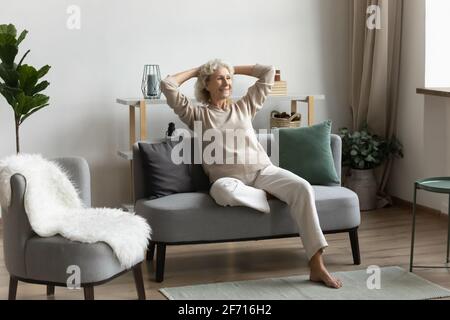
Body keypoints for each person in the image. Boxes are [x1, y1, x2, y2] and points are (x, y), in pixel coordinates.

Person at [160, 59, 342, 289]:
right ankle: (267, 196)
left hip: (263, 171)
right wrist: (198, 71)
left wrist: (232, 68)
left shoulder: (245, 105)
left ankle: (317, 265)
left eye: (228, 78)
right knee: (220, 191)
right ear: (206, 84)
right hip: (229, 181)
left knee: (302, 187)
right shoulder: (196, 115)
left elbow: (268, 72)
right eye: (219, 78)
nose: (226, 82)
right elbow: (167, 84)